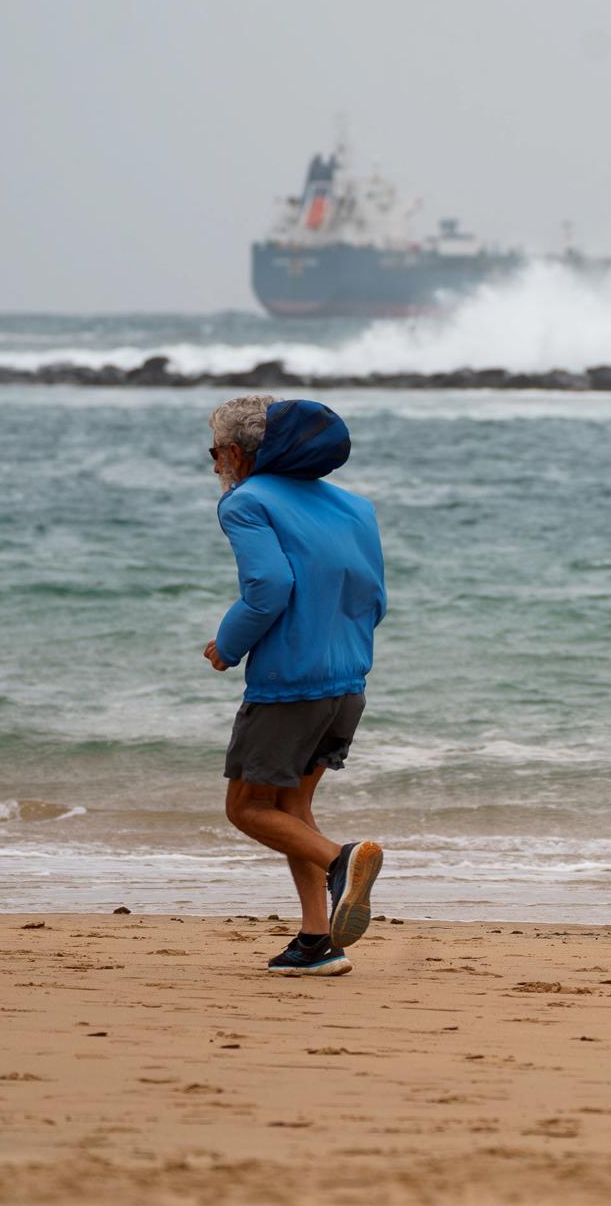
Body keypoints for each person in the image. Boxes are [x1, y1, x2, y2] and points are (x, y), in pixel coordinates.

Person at [205, 395, 388, 976]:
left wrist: (227, 645)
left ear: (236, 453)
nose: (214, 465)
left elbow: (268, 586)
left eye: (214, 452)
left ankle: (342, 861)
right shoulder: (355, 507)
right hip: (348, 682)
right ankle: (317, 941)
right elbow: (373, 597)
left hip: (289, 684)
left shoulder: (245, 501)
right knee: (292, 808)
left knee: (248, 808)